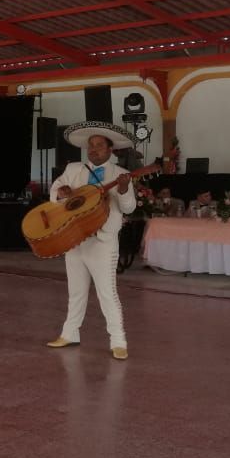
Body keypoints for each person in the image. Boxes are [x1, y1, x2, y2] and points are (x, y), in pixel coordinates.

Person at [45, 121, 136, 360]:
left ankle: (118, 341)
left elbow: (128, 207)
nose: (93, 149)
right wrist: (61, 192)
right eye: (91, 145)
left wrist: (124, 190)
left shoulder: (119, 175)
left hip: (103, 242)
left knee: (107, 293)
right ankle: (70, 333)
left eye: (99, 145)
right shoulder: (74, 169)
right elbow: (54, 193)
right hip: (74, 238)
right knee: (75, 292)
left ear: (110, 149)